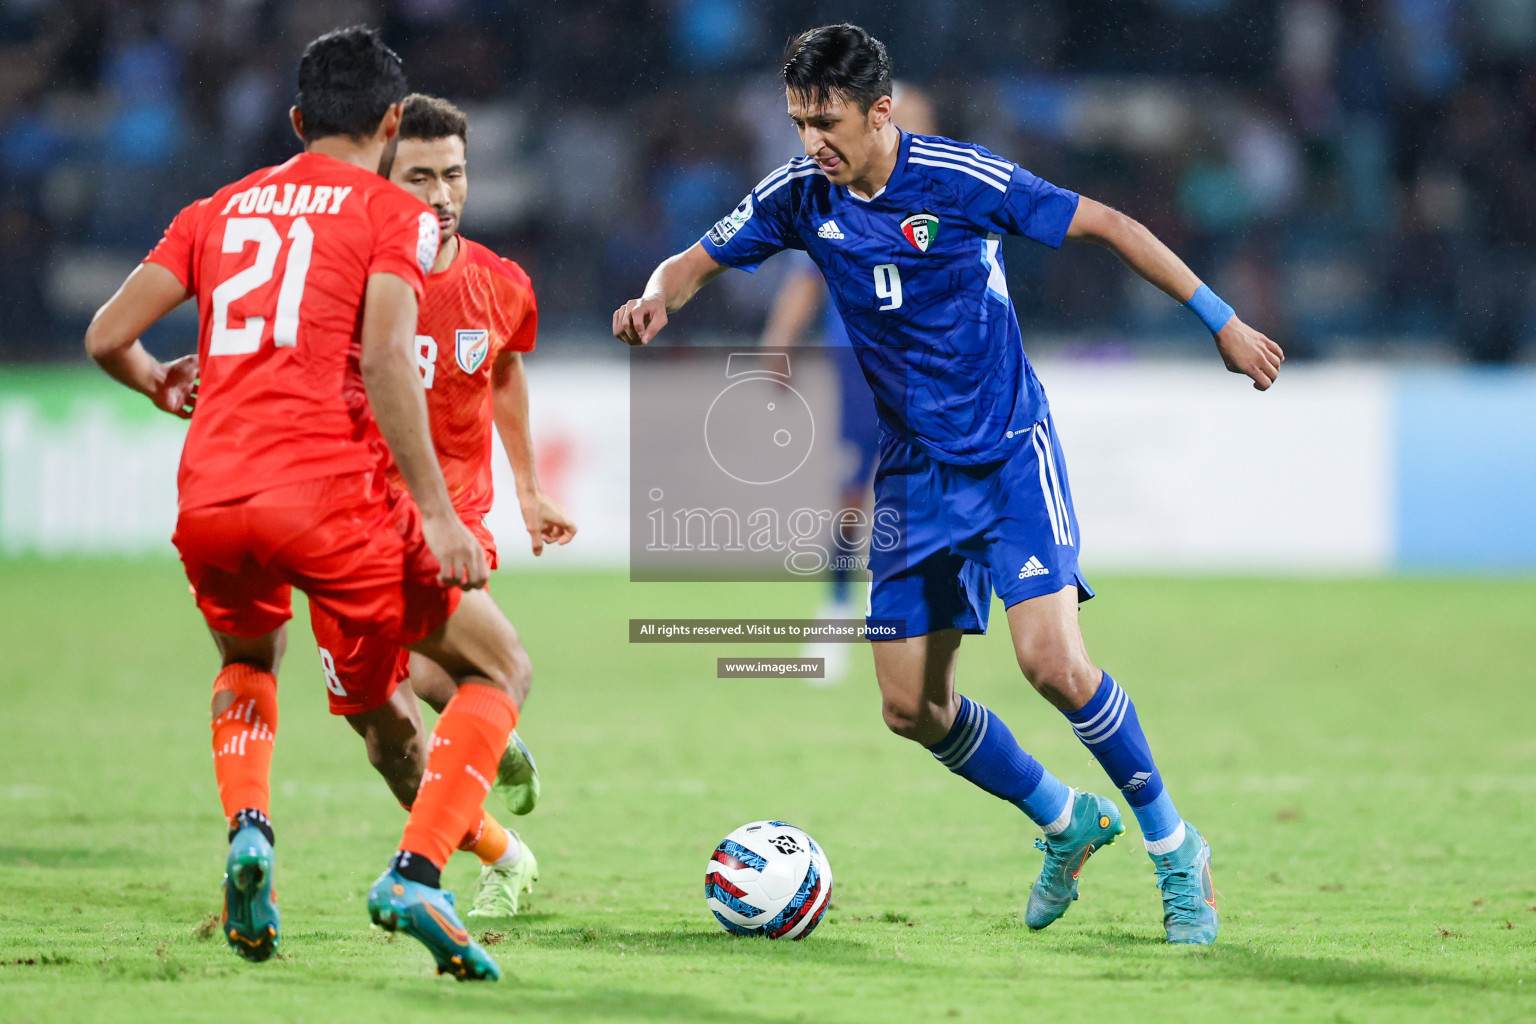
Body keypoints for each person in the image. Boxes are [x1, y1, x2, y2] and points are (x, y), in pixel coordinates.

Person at [614, 23, 1285, 945]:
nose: (812, 142)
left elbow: (1110, 225)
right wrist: (657, 297)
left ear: (879, 111)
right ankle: (1064, 819)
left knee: (1051, 663)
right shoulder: (801, 195)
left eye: (827, 121)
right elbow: (694, 261)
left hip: (1008, 450)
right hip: (912, 474)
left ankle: (1175, 849)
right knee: (910, 708)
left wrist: (1223, 321)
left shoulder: (962, 180)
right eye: (799, 121)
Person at [84, 27, 521, 980]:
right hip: (327, 499)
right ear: (394, 122)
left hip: (209, 496)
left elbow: (106, 334)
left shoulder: (217, 208)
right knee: (498, 667)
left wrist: (161, 380)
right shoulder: (390, 215)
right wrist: (442, 516)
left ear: (294, 120)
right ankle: (416, 873)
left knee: (250, 661)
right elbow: (382, 362)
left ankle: (250, 832)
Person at [309, 92, 576, 921]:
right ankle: (504, 847)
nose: (441, 194)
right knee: (388, 743)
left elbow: (501, 370)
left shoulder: (501, 283)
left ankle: (481, 727)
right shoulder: (346, 281)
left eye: (453, 174)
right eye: (419, 176)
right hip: (346, 527)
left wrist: (527, 486)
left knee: (457, 668)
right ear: (384, 180)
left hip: (447, 520)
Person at [758, 82, 934, 683]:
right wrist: (778, 341)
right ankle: (835, 615)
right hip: (860, 366)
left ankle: (927, 624)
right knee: (853, 496)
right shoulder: (835, 202)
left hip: (934, 372)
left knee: (931, 497)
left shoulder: (947, 201)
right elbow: (806, 277)